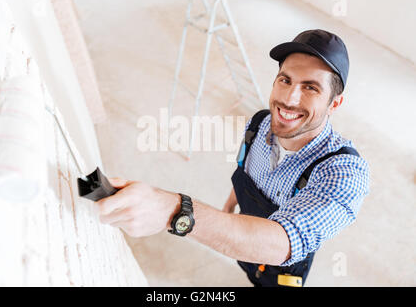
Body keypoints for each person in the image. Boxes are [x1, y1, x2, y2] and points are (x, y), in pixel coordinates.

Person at [97, 29, 370, 287]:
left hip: (281, 269)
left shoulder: (344, 173)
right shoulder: (261, 122)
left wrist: (173, 210)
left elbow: (281, 242)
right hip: (243, 237)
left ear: (334, 103)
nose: (289, 99)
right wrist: (229, 206)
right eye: (285, 80)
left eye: (310, 88)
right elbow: (245, 171)